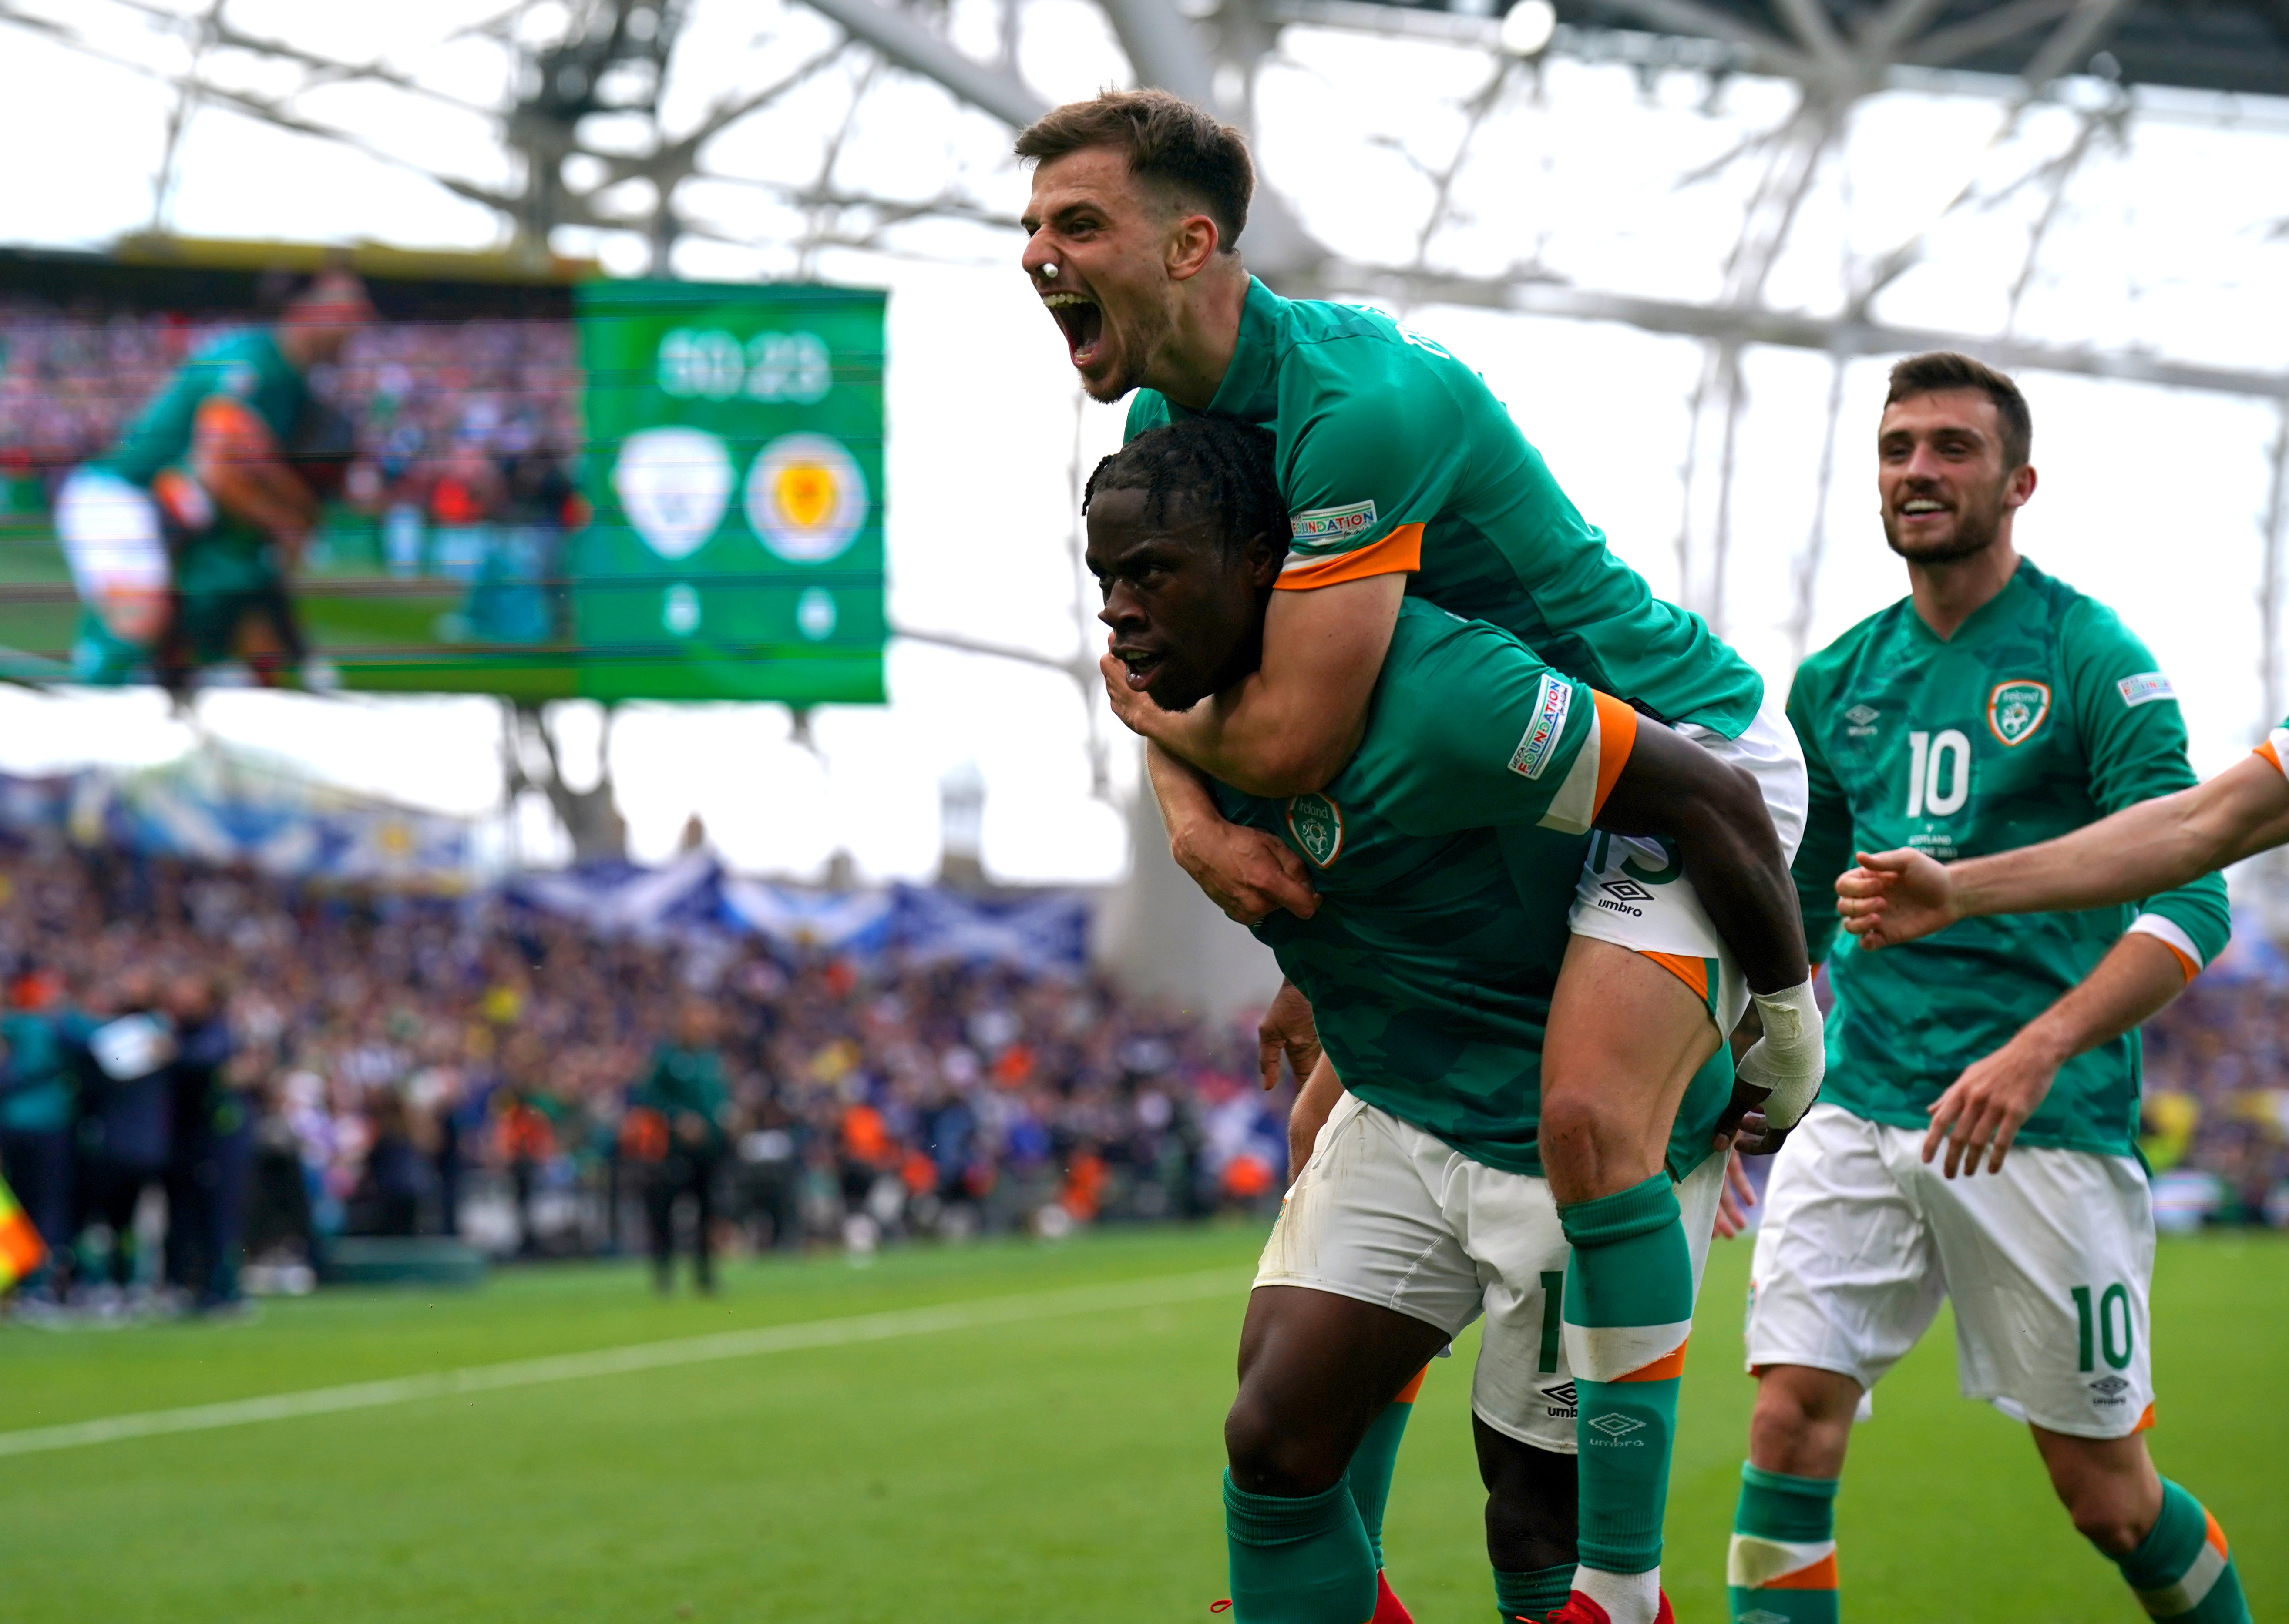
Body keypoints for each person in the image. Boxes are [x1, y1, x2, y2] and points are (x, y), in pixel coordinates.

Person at [1017, 90, 1825, 1624]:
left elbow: (1296, 741)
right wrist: (1209, 842)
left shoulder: (1359, 408)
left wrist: (1783, 1017)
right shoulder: (1165, 435)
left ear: (1193, 242)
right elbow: (1205, 698)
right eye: (1033, 227)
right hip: (1511, 791)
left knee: (1586, 1113)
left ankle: (1622, 1591)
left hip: (1676, 758)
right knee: (1287, 1399)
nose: (1037, 254)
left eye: (1077, 224)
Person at [1728, 352, 2250, 1624]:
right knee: (1788, 1420)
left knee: (2105, 1495)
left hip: (2040, 1120)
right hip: (1861, 1103)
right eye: (1899, 446)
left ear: (2017, 480)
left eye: (1951, 447)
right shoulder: (1836, 680)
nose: (1918, 469)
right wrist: (1744, 1063)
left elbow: (2193, 891)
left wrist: (2037, 1048)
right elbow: (1795, 914)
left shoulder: (2088, 656)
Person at [54, 269, 374, 691]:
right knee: (141, 618)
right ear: (306, 310)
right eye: (346, 308)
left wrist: (292, 514)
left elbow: (254, 471)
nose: (360, 320)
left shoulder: (293, 385)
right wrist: (288, 519)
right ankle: (84, 726)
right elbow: (219, 467)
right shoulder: (253, 364)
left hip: (178, 513)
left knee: (224, 634)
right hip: (122, 495)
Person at [1833, 726, 2289, 950]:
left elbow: (2196, 853)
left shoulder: (2089, 648)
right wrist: (1957, 890)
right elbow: (2196, 830)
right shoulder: (1840, 668)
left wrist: (2048, 1043)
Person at [632, 999, 731, 1294]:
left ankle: (705, 1274)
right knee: (665, 1212)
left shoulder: (710, 1058)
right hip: (673, 1151)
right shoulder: (666, 1059)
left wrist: (726, 1117)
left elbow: (718, 1096)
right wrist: (678, 1119)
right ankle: (664, 1275)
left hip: (709, 1150)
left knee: (708, 1211)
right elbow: (648, 1096)